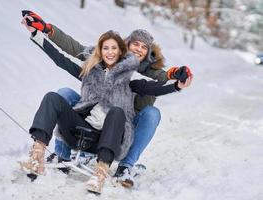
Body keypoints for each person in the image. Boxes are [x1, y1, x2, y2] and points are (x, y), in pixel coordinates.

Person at [21, 10, 193, 187]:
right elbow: (68, 54)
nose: (139, 49)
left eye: (144, 47)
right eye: (136, 44)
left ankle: (122, 167)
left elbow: (154, 83)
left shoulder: (140, 76)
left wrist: (174, 79)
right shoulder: (99, 65)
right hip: (91, 120)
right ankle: (55, 155)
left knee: (148, 113)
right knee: (62, 94)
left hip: (123, 126)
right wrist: (43, 31)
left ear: (148, 54)